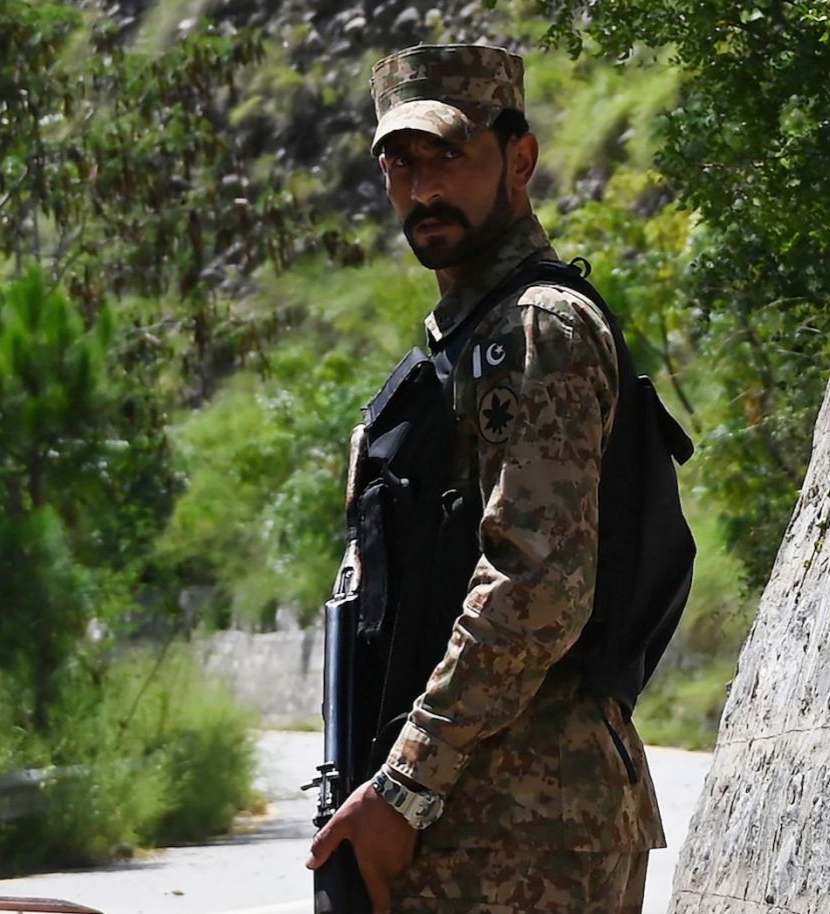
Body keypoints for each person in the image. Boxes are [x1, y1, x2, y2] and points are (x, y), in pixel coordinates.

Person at [303, 45, 667, 912]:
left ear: (521, 160)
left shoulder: (534, 330)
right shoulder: (463, 342)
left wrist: (406, 785)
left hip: (523, 830)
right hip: (482, 820)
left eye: (450, 157)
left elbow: (538, 581)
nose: (424, 189)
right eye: (402, 162)